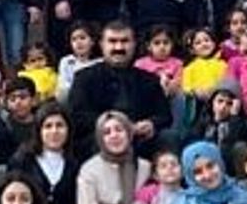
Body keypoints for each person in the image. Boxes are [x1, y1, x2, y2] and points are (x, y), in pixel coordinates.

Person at [68, 21, 172, 157]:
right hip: (98, 142)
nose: (119, 47)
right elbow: (77, 117)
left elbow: (165, 116)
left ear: (134, 44)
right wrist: (116, 127)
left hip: (141, 142)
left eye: (125, 41)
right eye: (112, 41)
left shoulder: (150, 80)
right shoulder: (84, 78)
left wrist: (151, 124)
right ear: (102, 44)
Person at [77, 112, 152, 204]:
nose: (114, 136)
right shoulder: (89, 169)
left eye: (119, 130)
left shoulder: (144, 167)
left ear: (128, 133)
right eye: (107, 132)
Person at [8, 103, 81, 204]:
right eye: (48, 126)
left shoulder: (75, 163)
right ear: (39, 131)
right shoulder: (22, 160)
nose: (54, 131)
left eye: (60, 125)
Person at [55, 21, 99, 104]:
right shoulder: (66, 61)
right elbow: (63, 86)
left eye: (82, 38)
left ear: (92, 41)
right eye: (74, 39)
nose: (78, 42)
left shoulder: (100, 62)